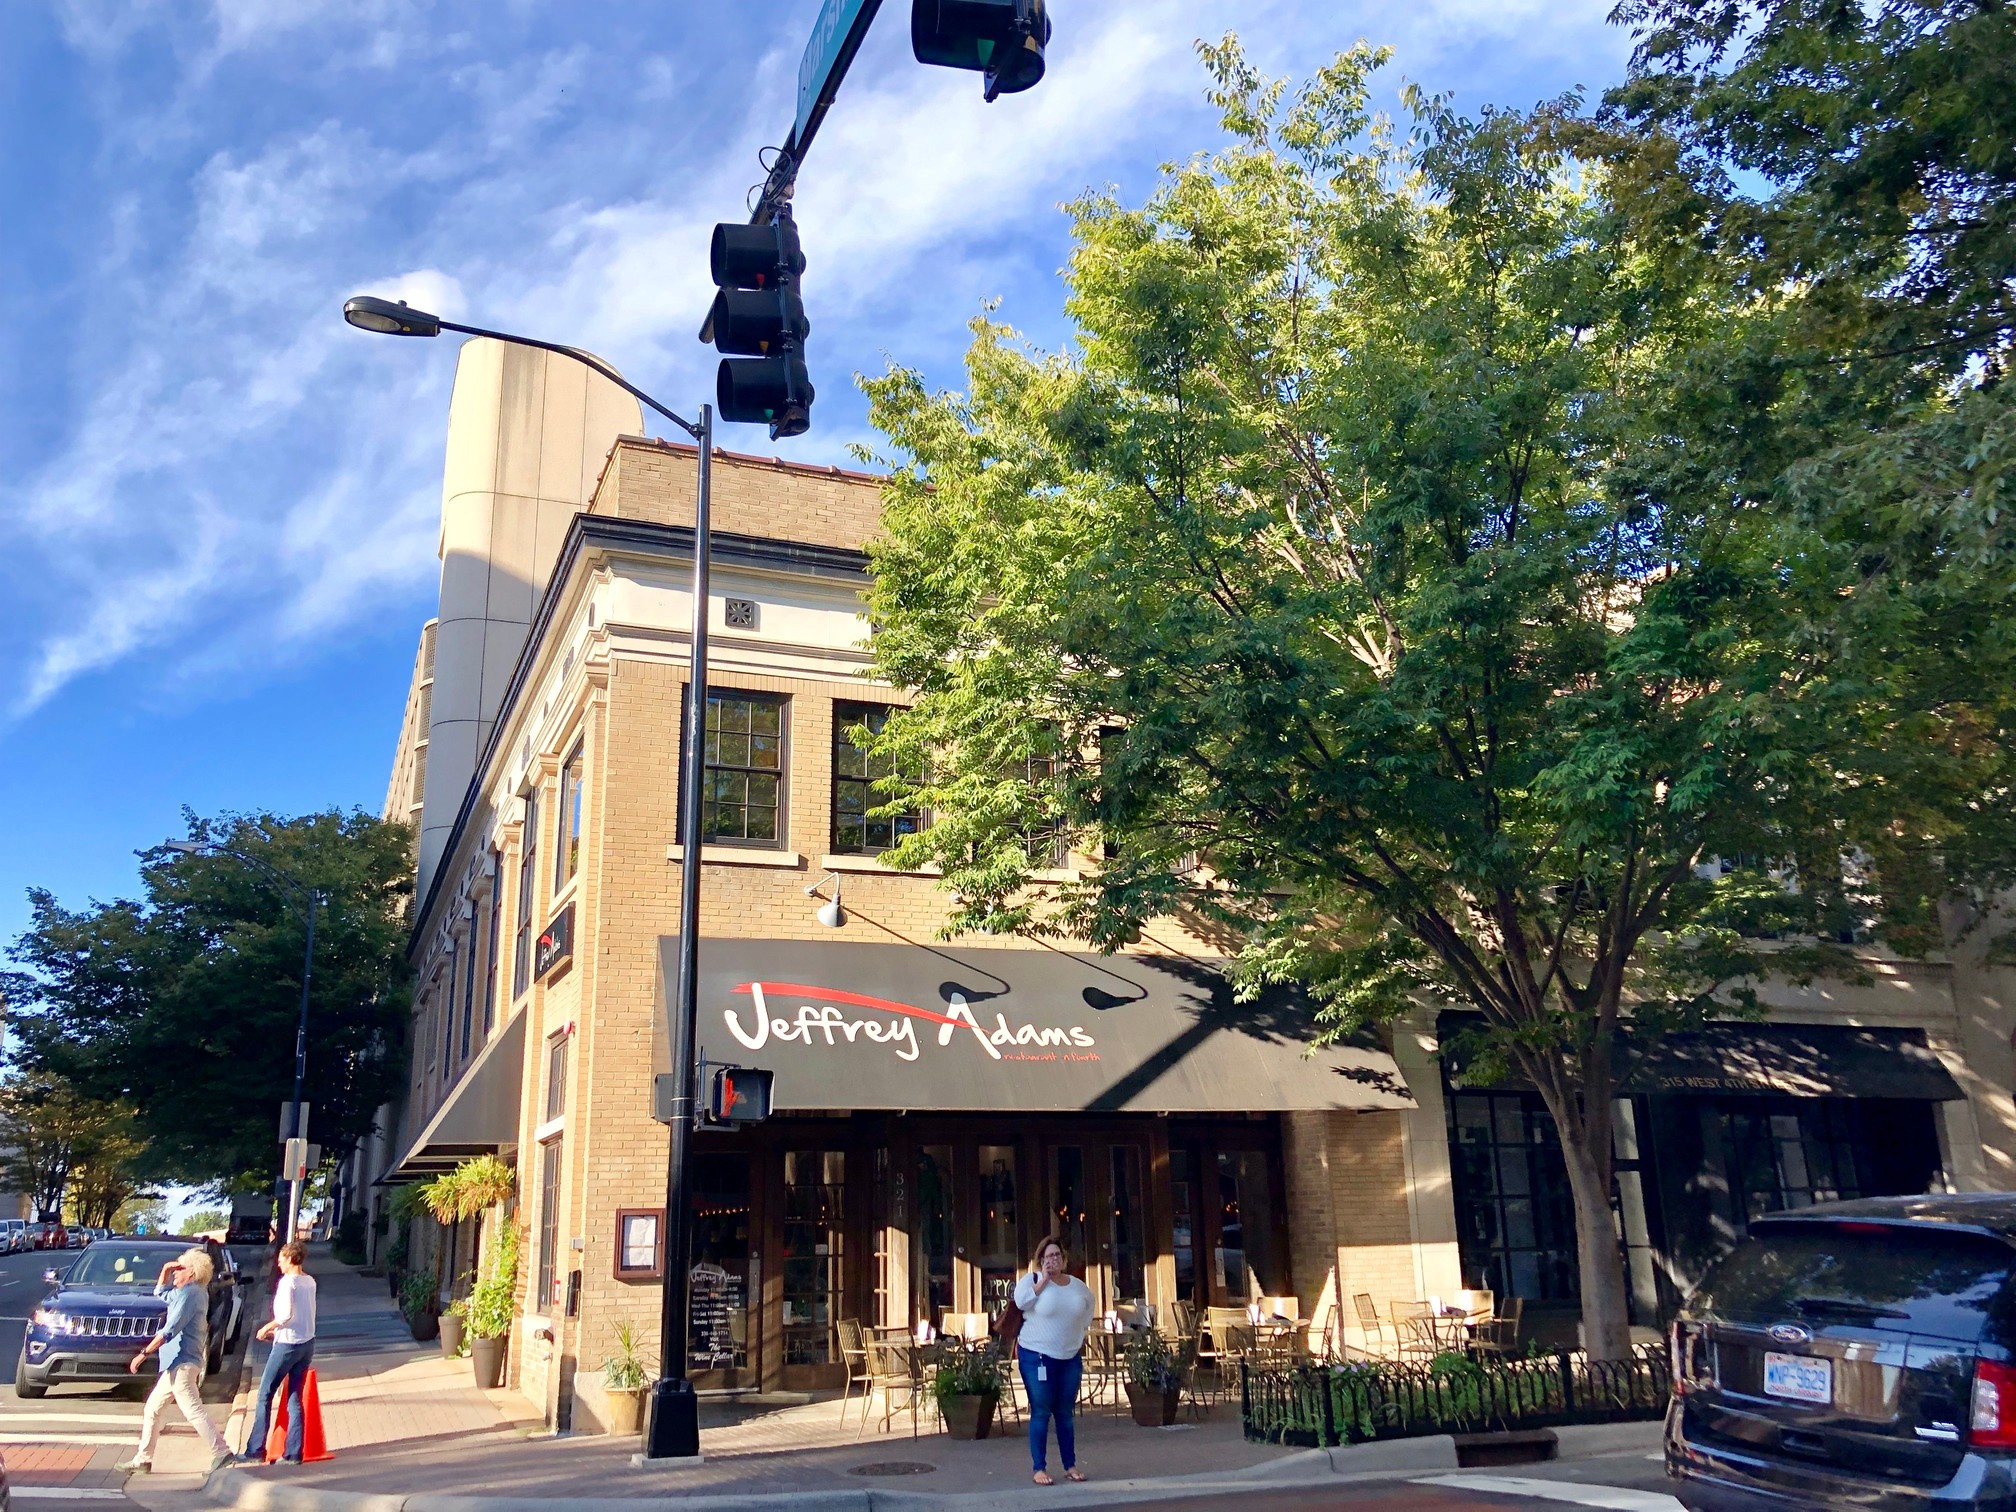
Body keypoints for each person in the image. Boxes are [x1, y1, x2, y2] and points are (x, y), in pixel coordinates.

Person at [116, 1247, 232, 1474]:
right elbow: (161, 1293)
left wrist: (143, 1353)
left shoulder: (191, 1294)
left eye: (179, 1268)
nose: (175, 1273)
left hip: (183, 1362)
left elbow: (170, 1329)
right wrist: (165, 1270)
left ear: (192, 1272)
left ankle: (222, 1451)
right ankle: (143, 1459)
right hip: (175, 1364)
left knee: (193, 1410)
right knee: (153, 1409)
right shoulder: (187, 1292)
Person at [1012, 1233, 1097, 1486]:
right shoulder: (1033, 1280)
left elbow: (1088, 1309)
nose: (1053, 1260)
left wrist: (1076, 1333)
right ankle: (1039, 1467)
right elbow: (1021, 1302)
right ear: (1040, 1260)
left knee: (1065, 1413)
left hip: (1069, 1356)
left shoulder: (1077, 1285)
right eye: (1048, 1256)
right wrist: (1044, 1282)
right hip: (1036, 1355)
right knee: (1041, 1410)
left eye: (1057, 1255)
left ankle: (1069, 1465)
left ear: (1064, 1258)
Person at [238, 1240, 318, 1464]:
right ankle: (294, 1451)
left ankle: (255, 1449)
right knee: (294, 1396)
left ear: (291, 1259)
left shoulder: (287, 1283)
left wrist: (266, 1328)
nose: (279, 1263)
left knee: (265, 1394)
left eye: (282, 1258)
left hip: (287, 1345)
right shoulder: (309, 1281)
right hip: (306, 1343)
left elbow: (284, 1316)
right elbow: (303, 1314)